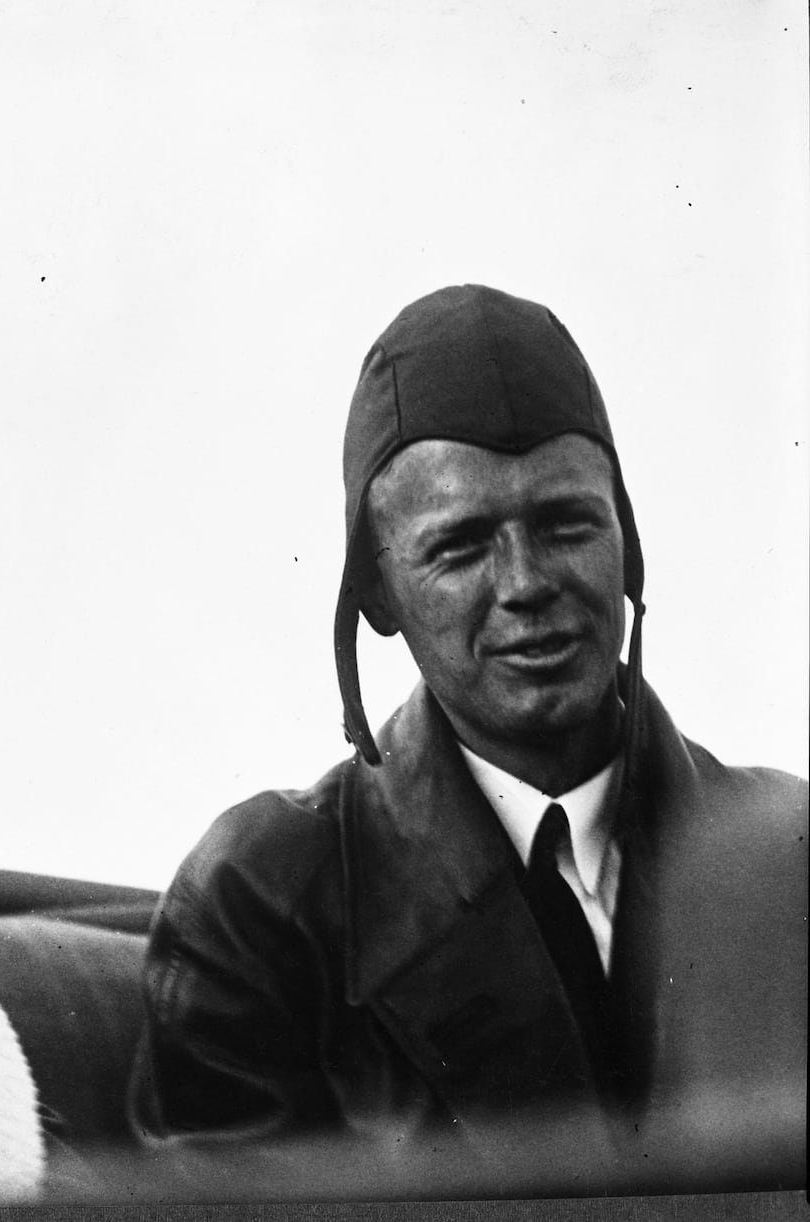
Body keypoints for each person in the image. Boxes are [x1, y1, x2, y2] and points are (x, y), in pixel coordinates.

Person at [128, 285, 807, 1185]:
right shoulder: (266, 909)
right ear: (376, 597)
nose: (526, 583)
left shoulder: (786, 864)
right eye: (461, 546)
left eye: (567, 524)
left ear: (628, 551)